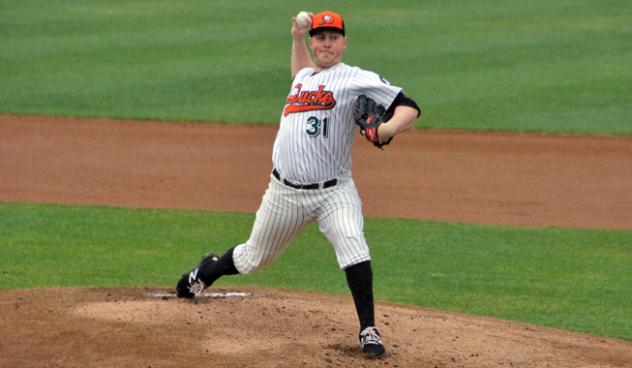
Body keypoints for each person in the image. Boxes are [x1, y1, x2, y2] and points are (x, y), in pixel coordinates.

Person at [176, 10, 420, 358]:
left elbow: (408, 107)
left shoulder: (355, 78)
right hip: (284, 193)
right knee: (252, 258)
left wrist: (384, 130)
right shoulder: (304, 76)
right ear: (312, 42)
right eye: (319, 37)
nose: (326, 44)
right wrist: (294, 38)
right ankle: (206, 270)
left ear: (344, 43)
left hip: (334, 193)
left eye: (332, 38)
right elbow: (299, 72)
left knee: (354, 246)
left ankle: (368, 329)